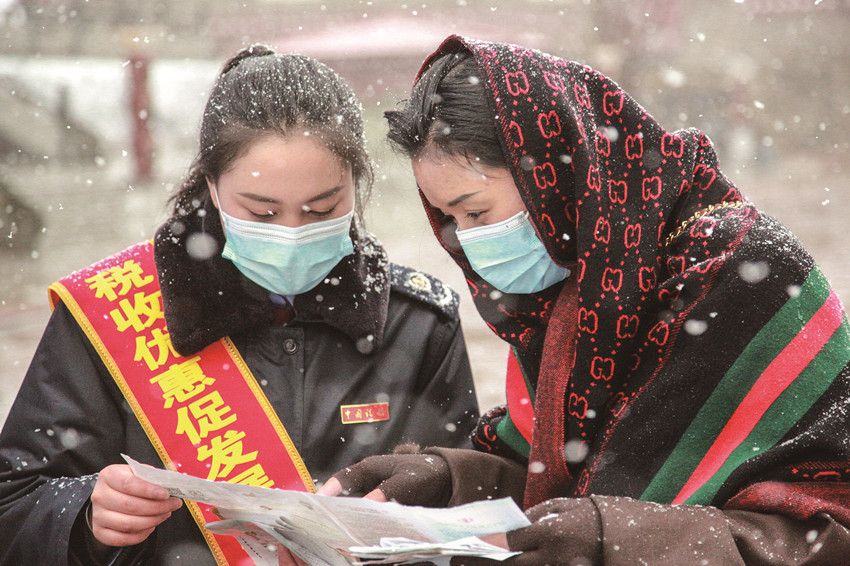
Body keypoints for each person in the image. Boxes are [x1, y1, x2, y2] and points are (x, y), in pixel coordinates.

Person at [318, 36, 850, 565]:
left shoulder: (745, 270)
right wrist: (446, 483)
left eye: (476, 213)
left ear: (555, 175)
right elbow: (559, 482)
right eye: (449, 220)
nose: (466, 241)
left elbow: (826, 536)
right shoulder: (574, 290)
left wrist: (607, 539)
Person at [0, 44, 480, 565]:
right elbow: (14, 506)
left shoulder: (418, 322)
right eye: (263, 213)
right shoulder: (112, 312)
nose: (292, 233)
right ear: (211, 185)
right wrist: (84, 516)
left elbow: (470, 518)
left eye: (322, 209)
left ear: (356, 186)